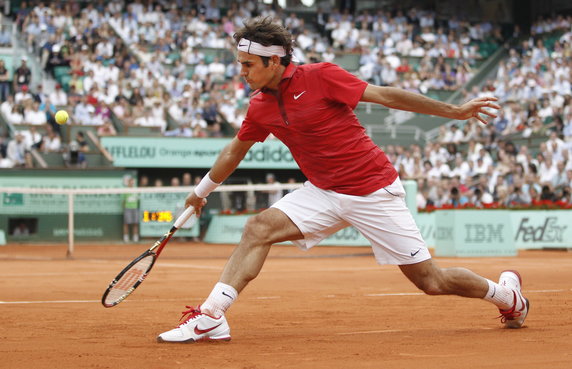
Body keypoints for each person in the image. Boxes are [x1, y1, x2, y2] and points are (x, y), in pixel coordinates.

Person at [157, 17, 528, 344]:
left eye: (248, 64)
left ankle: (507, 297)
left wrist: (454, 111)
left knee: (432, 282)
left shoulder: (320, 75)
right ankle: (211, 317)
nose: (242, 71)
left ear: (274, 60)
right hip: (322, 192)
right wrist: (200, 192)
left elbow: (386, 96)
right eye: (240, 63)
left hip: (373, 191)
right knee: (258, 228)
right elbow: (234, 151)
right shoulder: (259, 104)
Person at [122, 177, 139, 243]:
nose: (132, 183)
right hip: (127, 208)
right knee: (126, 223)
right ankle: (126, 238)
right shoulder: (125, 190)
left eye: (133, 181)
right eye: (130, 181)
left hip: (135, 208)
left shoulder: (136, 190)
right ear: (128, 182)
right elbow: (123, 201)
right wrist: (124, 208)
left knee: (135, 223)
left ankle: (135, 238)